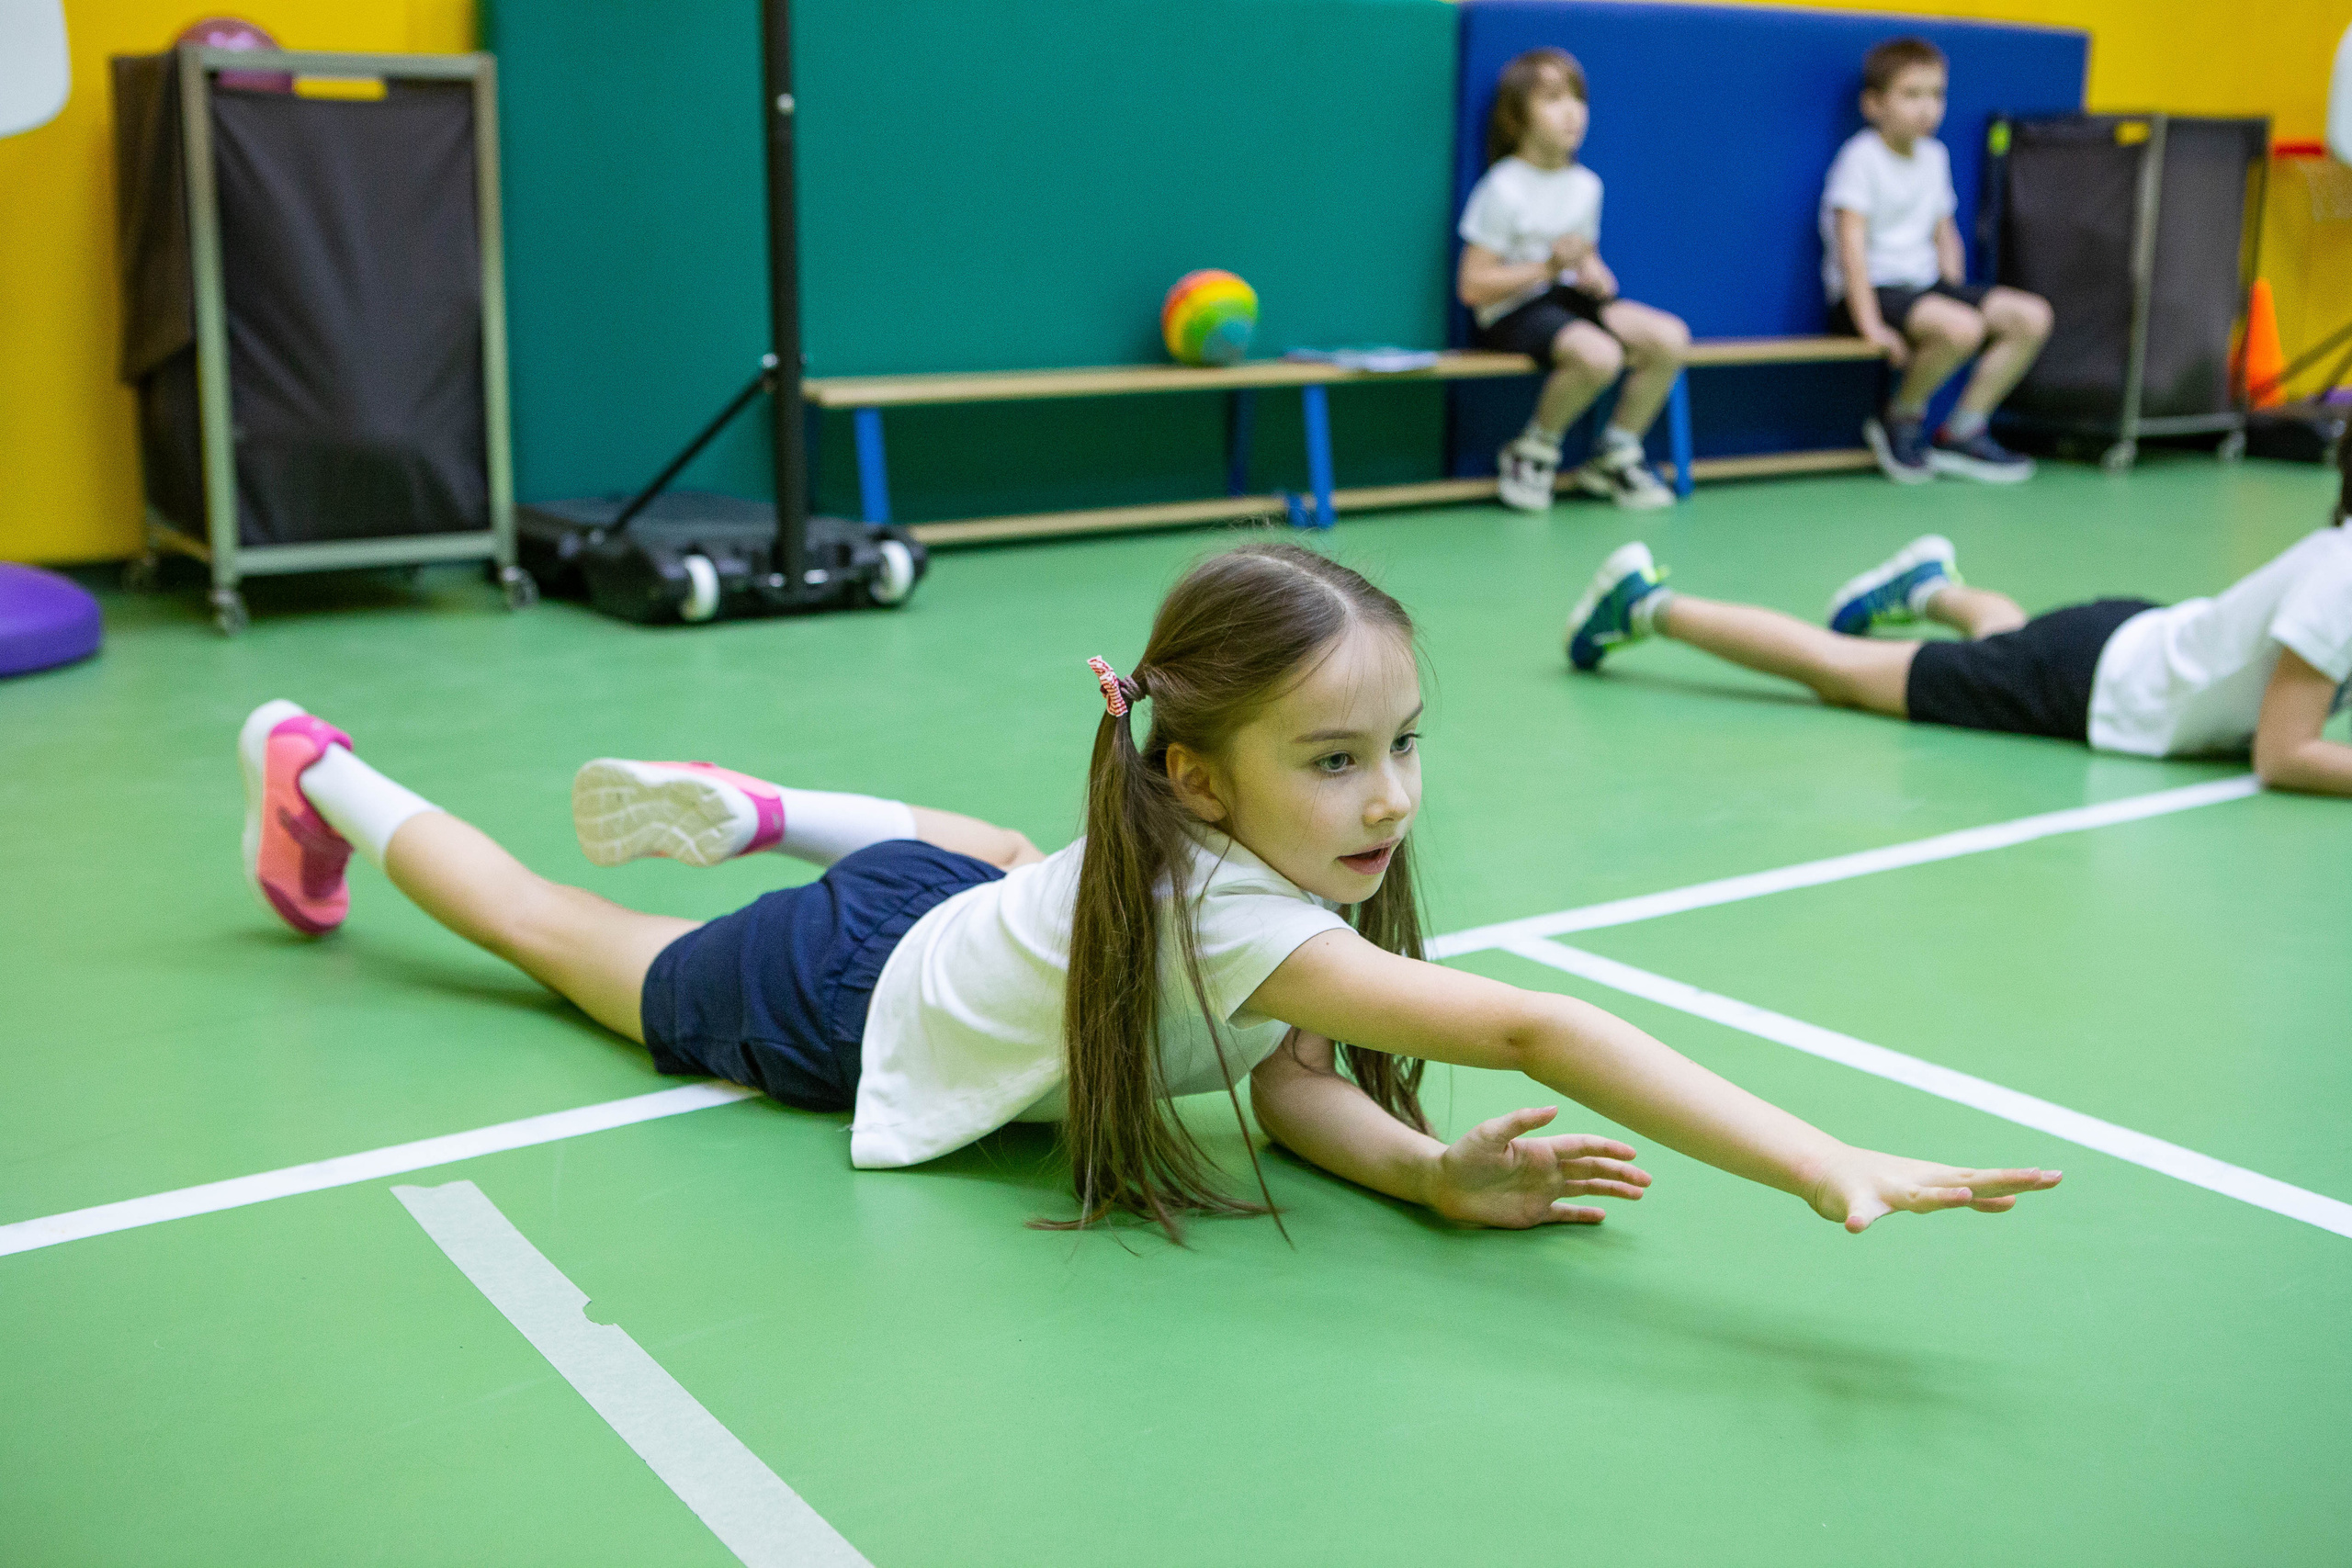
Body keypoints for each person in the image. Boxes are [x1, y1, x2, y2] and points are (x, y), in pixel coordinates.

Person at [241, 542, 2059, 1240]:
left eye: (1403, 743)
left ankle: (778, 802)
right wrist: (1815, 1153)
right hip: (832, 985)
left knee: (1007, 859)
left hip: (966, 899)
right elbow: (1526, 1020)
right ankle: (315, 760)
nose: (1390, 797)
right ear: (1200, 774)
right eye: (1337, 761)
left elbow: (1263, 1067)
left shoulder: (1174, 838)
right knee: (551, 930)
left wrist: (1427, 1169)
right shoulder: (1231, 902)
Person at [1563, 525, 2352, 795]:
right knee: (1840, 672)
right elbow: (2283, 754)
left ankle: (1931, 586)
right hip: (2094, 683)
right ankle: (1643, 602)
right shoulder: (2343, 578)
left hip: (2118, 648)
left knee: (2006, 649)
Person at [1458, 48, 1690, 513]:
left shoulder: (1587, 185)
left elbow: (1585, 258)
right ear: (1517, 117)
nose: (1572, 112)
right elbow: (1473, 286)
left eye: (1578, 99)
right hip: (1511, 309)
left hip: (1565, 299)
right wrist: (1546, 267)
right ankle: (1534, 450)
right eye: (1553, 99)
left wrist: (1595, 273)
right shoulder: (1502, 186)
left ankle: (1616, 452)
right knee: (1599, 354)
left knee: (1669, 337)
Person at [1822, 37, 2053, 485]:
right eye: (1911, 95)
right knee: (1961, 328)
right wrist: (1869, 324)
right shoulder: (1860, 158)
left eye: (1936, 95)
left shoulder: (1935, 156)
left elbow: (1945, 233)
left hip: (1926, 286)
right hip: (1871, 291)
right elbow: (1850, 246)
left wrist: (1956, 288)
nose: (1927, 108)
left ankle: (1963, 431)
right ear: (1874, 104)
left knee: (2031, 316)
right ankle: (1901, 420)